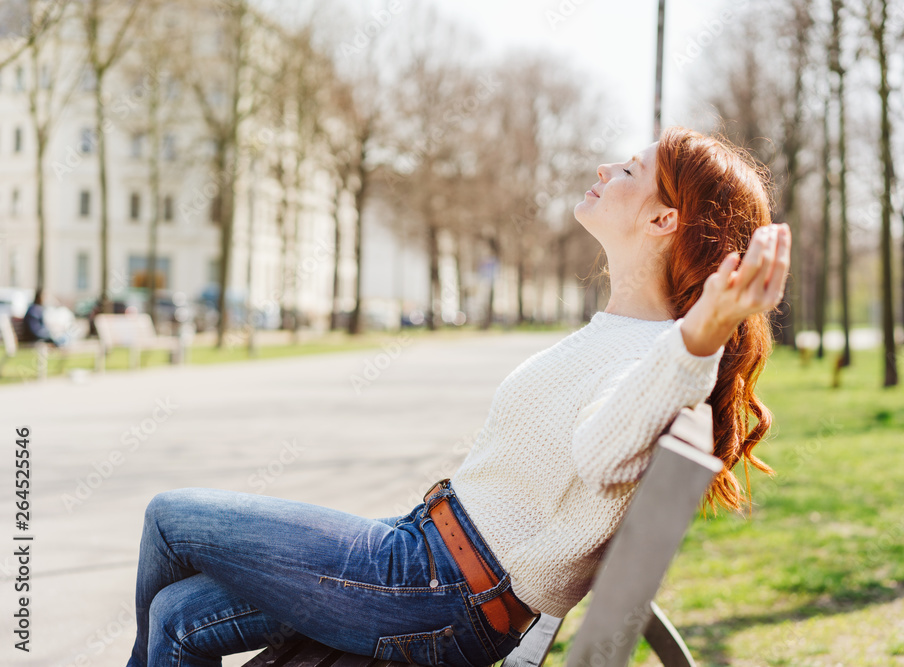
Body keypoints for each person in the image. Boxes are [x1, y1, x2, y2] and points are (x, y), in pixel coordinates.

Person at [126, 126, 791, 667]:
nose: (604, 164)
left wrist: (702, 335)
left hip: (436, 591)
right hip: (426, 562)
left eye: (628, 171)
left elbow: (603, 451)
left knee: (168, 516)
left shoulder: (661, 358)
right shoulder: (628, 339)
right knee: (177, 616)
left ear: (662, 218)